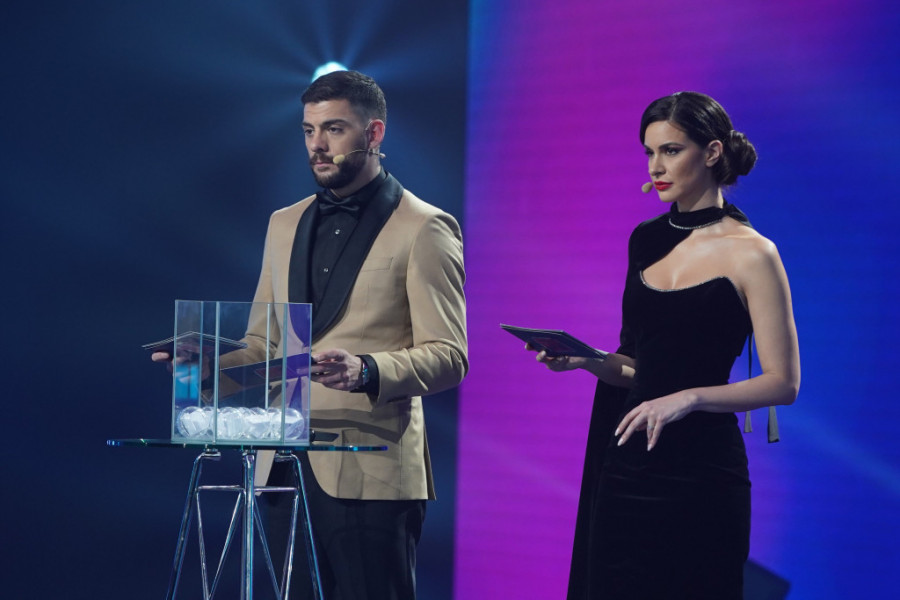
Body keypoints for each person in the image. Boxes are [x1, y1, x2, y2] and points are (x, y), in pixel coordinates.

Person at [154, 70, 467, 600]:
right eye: (308, 131)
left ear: (374, 133)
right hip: (282, 466)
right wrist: (206, 369)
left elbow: (450, 355)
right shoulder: (284, 224)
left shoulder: (425, 227)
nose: (317, 145)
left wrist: (366, 369)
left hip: (371, 471)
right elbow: (265, 346)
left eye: (334, 129)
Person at [529, 92, 800, 599]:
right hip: (628, 468)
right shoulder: (644, 240)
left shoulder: (754, 254)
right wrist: (588, 361)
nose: (656, 166)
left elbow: (783, 384)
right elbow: (639, 366)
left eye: (671, 151)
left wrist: (689, 397)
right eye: (649, 152)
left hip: (703, 474)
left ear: (712, 152)